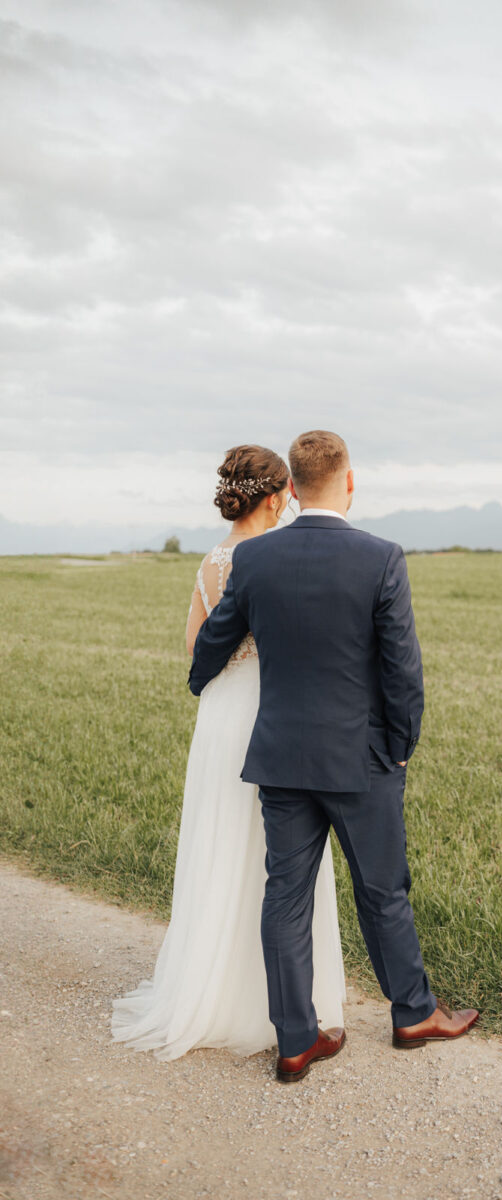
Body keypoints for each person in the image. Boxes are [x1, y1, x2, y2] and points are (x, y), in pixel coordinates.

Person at [189, 430, 478, 1083]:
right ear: (349, 483)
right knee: (383, 892)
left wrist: (199, 678)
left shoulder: (256, 559)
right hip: (361, 758)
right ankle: (413, 1014)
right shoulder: (381, 557)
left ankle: (295, 1042)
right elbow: (403, 670)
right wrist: (400, 748)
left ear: (291, 487)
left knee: (284, 896)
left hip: (283, 755)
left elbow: (216, 637)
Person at [111, 445, 346, 1060]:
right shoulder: (272, 557)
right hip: (274, 716)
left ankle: (208, 993)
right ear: (276, 496)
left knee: (223, 846)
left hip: (220, 717)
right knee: (284, 860)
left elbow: (197, 651)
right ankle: (287, 1008)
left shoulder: (211, 563)